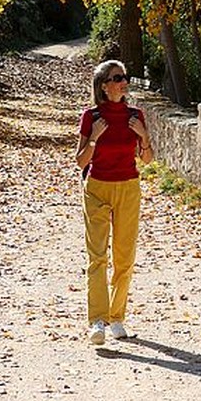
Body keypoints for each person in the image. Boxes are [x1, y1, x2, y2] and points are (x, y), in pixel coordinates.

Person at [76, 59, 154, 345]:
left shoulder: (136, 115)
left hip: (128, 188)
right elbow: (80, 161)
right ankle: (97, 320)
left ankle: (117, 317)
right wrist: (94, 138)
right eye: (117, 77)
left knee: (124, 257)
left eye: (125, 77)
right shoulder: (91, 116)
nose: (124, 82)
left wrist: (143, 136)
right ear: (104, 85)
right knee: (97, 257)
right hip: (97, 188)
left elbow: (147, 159)